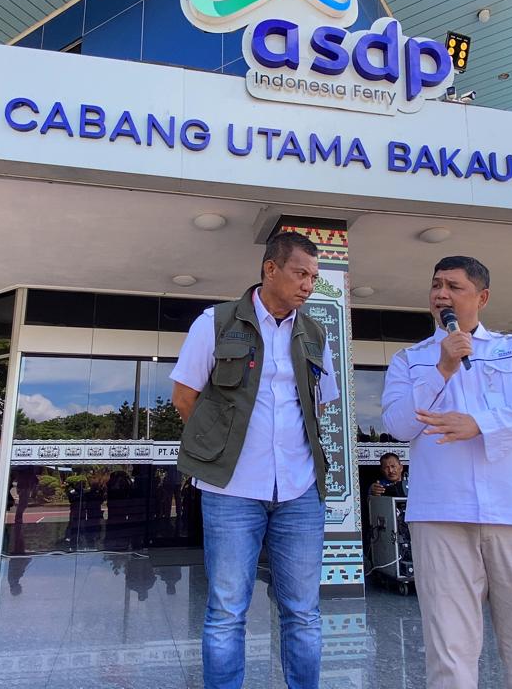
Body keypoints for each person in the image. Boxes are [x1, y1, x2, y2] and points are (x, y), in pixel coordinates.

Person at [382, 255, 512, 689]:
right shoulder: (410, 359)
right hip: (440, 513)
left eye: (454, 286)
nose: (441, 294)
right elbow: (398, 425)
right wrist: (442, 369)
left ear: (481, 297)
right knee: (449, 648)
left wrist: (482, 424)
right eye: (436, 285)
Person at [171, 231, 340, 689]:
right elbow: (185, 397)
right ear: (270, 269)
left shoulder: (314, 333)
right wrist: (219, 450)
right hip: (231, 490)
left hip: (300, 490)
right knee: (227, 611)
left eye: (314, 277)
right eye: (301, 274)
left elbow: (321, 403)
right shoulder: (215, 322)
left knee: (303, 612)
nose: (308, 285)